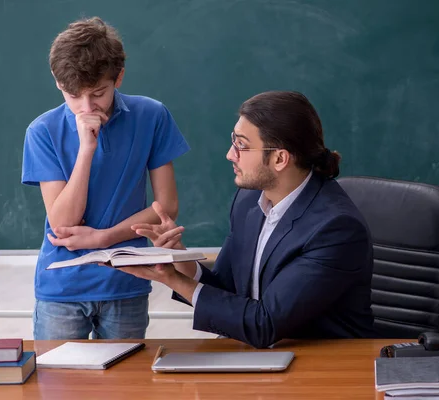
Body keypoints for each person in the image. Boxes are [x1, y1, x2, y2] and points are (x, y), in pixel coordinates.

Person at [119, 91, 375, 348]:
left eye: (241, 144)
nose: (231, 154)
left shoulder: (335, 228)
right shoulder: (248, 201)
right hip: (259, 354)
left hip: (323, 366)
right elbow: (226, 289)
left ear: (279, 158)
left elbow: (265, 323)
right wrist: (178, 260)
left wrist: (172, 280)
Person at [21, 17, 189, 340]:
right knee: (61, 388)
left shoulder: (152, 117)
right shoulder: (41, 132)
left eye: (98, 93)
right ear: (58, 83)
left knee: (126, 388)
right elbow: (62, 223)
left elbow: (166, 206)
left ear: (119, 78)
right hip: (62, 287)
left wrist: (103, 239)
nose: (87, 107)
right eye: (74, 96)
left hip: (126, 281)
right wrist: (86, 150)